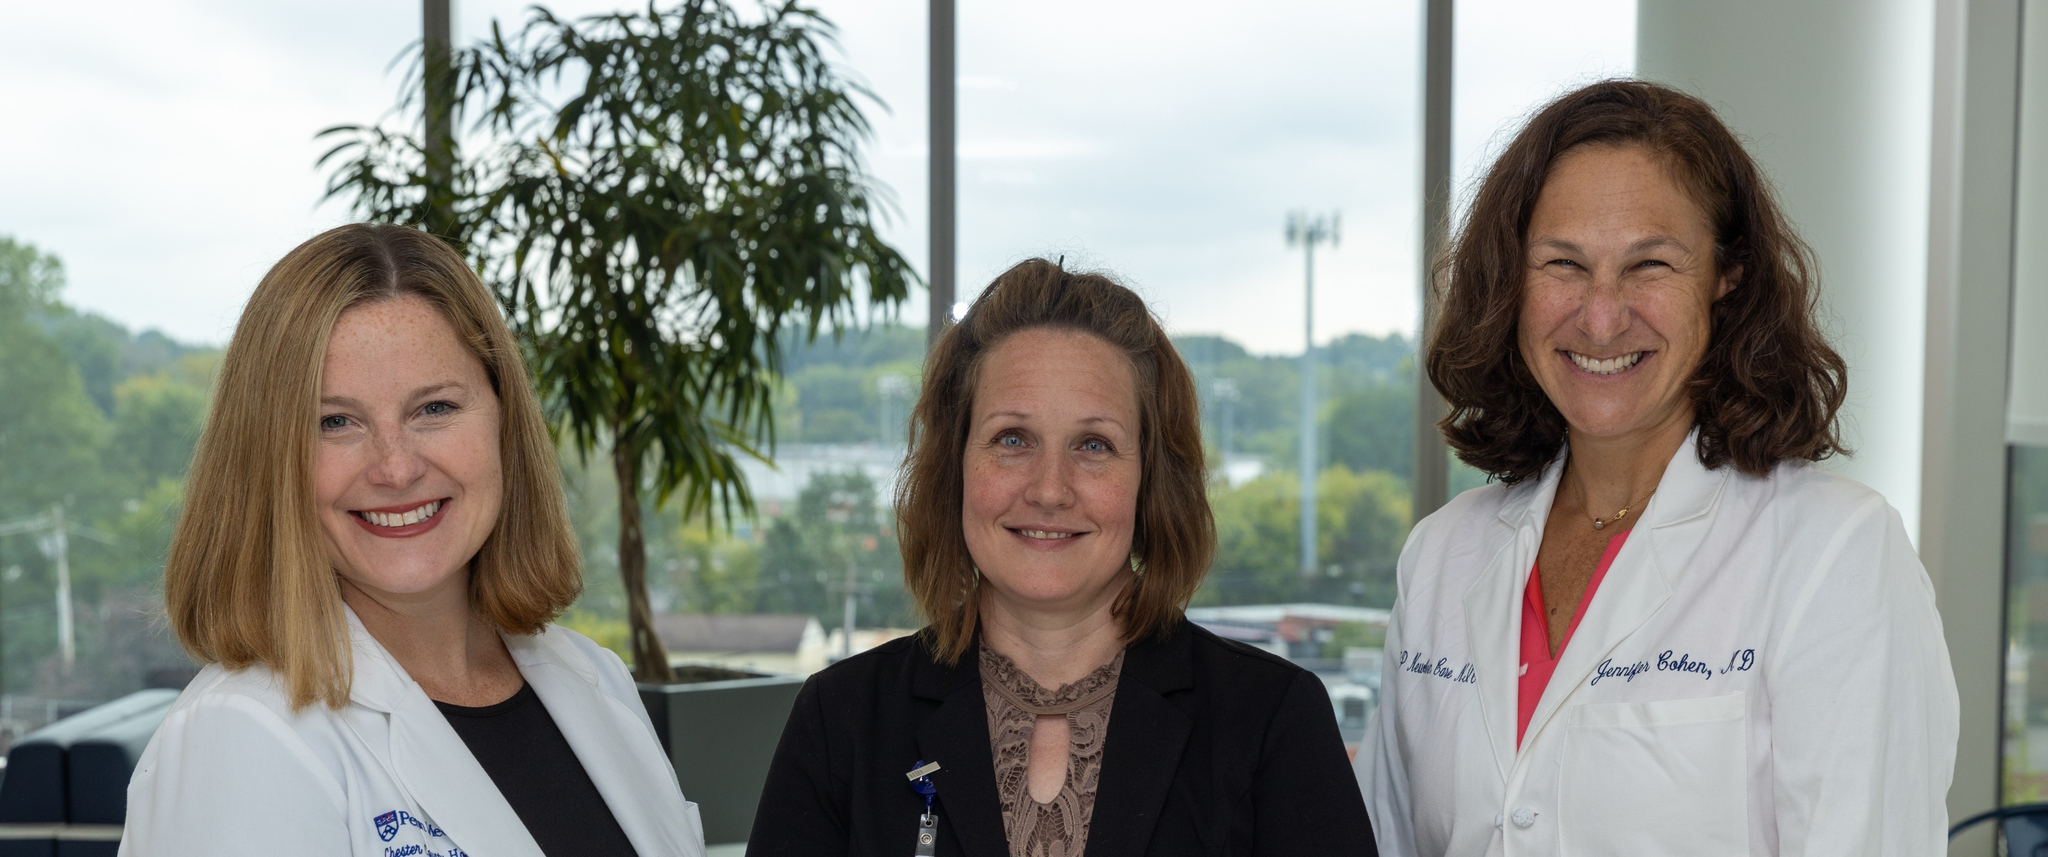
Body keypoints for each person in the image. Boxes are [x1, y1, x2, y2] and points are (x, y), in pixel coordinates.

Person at [1355, 80, 1959, 856]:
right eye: (1563, 263)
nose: (1602, 316)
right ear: (1512, 280)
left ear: (1726, 277)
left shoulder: (1833, 552)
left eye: (1650, 264)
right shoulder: (1441, 557)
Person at [749, 259, 1376, 856]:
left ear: (1152, 480)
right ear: (955, 468)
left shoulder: (1271, 721)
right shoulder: (842, 723)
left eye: (1094, 444)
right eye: (1012, 439)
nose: (1050, 489)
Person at [121, 224, 706, 857]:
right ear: (265, 461)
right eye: (335, 422)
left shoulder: (594, 678)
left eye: (435, 409)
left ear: (504, 420)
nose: (396, 468)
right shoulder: (237, 739)